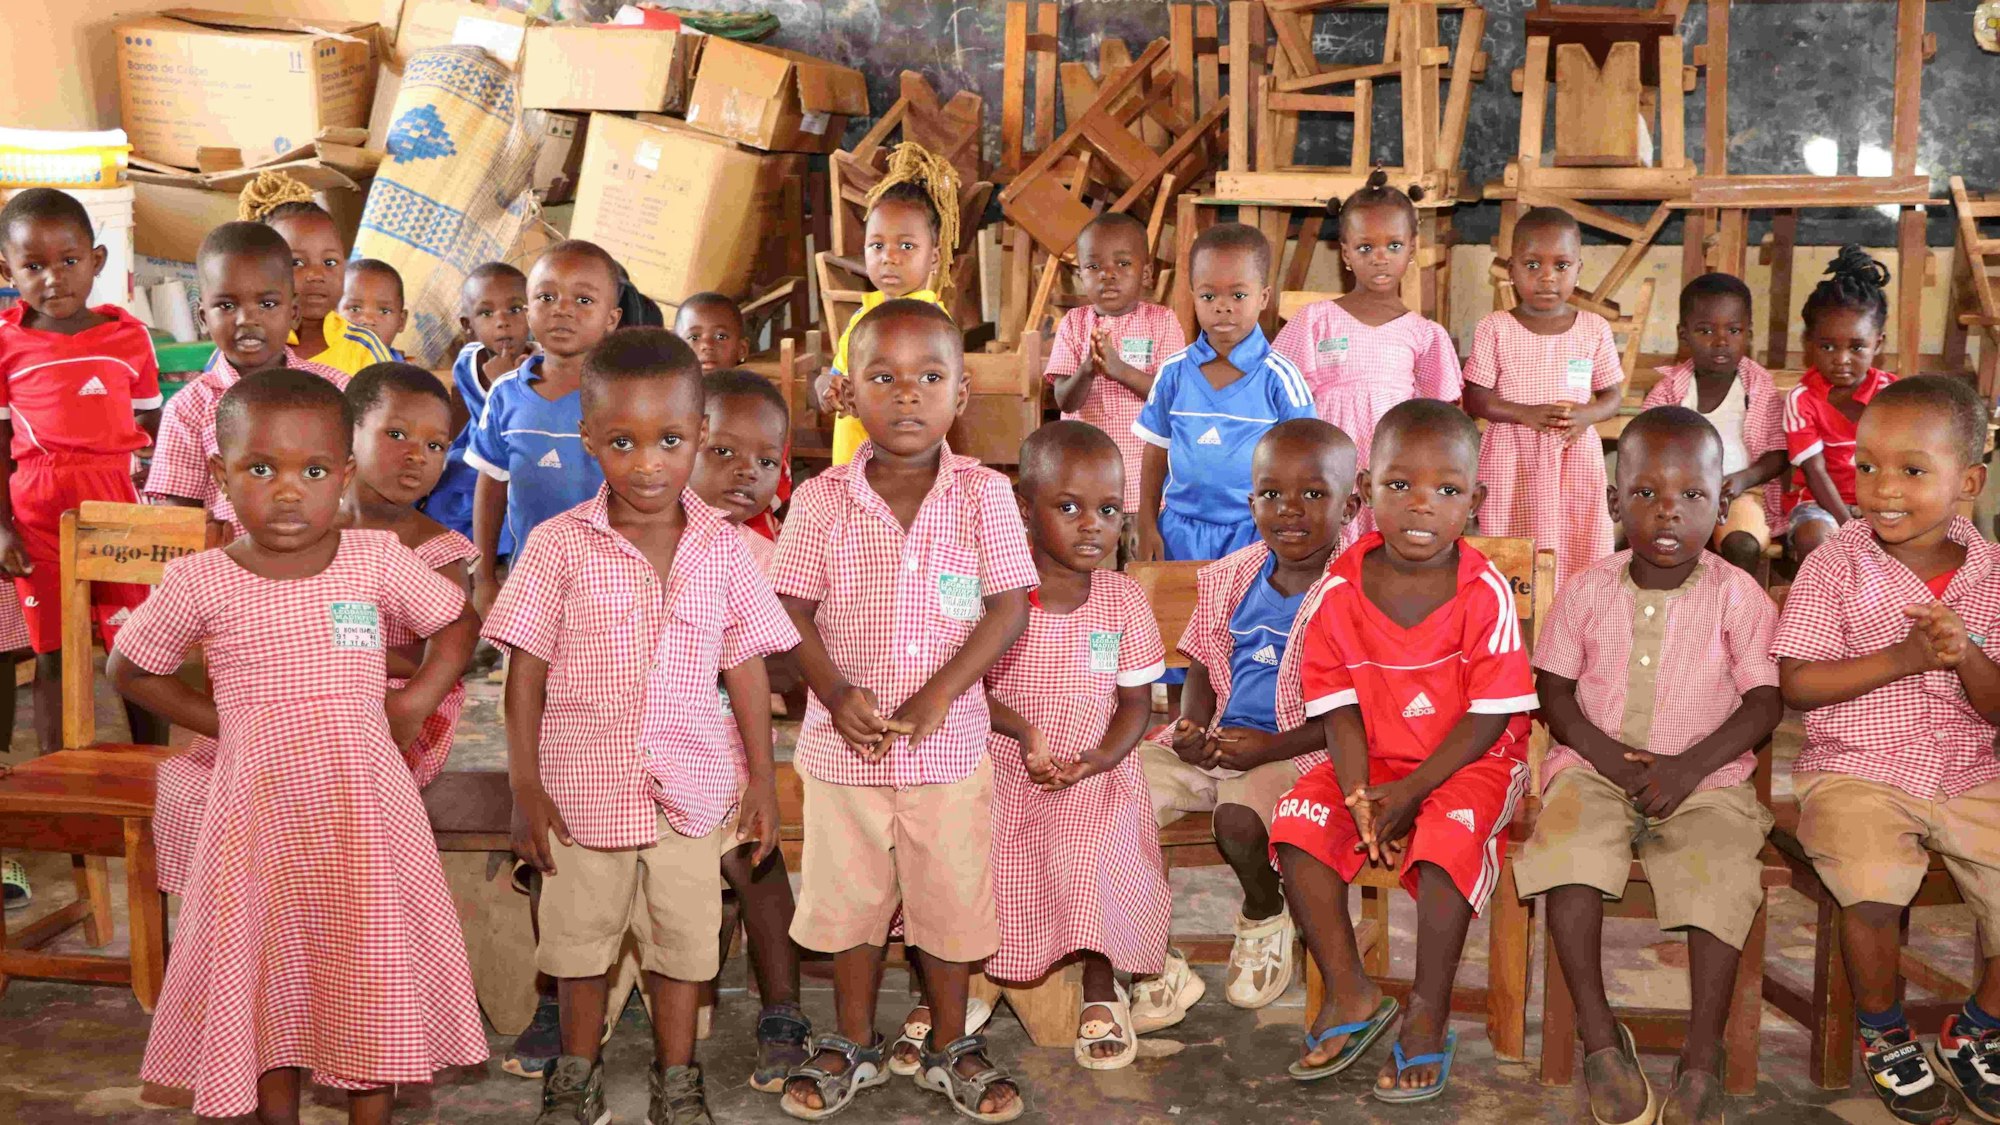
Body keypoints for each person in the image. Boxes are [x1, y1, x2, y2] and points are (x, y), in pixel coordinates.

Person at [107, 369, 485, 1123]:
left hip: (363, 813)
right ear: (218, 475)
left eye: (313, 471)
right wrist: (234, 721)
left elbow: (457, 623)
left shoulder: (373, 562)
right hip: (257, 817)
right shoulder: (200, 580)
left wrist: (412, 701)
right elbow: (130, 667)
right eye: (260, 469)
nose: (288, 491)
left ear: (343, 474)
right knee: (265, 968)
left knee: (365, 960)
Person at [487, 329, 800, 1125]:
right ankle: (577, 1074)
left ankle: (677, 1077)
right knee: (580, 949)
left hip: (690, 794)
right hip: (582, 794)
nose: (649, 463)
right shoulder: (559, 547)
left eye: (670, 440)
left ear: (699, 438)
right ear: (589, 439)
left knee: (684, 947)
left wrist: (761, 780)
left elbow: (747, 666)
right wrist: (525, 785)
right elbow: (525, 673)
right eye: (622, 442)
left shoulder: (723, 551)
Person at [772, 299, 1033, 1122]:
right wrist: (835, 690)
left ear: (961, 396)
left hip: (950, 749)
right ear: (847, 394)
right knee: (850, 900)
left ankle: (949, 1041)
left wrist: (938, 695)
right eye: (883, 377)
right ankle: (853, 1039)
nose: (908, 395)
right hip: (843, 750)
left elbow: (1007, 610)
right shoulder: (821, 500)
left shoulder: (986, 495)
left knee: (950, 902)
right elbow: (790, 609)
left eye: (930, 378)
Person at [1516, 406, 1783, 1125]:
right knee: (1568, 857)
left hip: (1706, 779)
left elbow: (1764, 704)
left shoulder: (1739, 596)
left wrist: (1688, 767)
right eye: (1645, 493)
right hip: (1594, 768)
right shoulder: (1587, 589)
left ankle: (1702, 1055)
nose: (1669, 513)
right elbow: (1555, 691)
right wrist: (1606, 756)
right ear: (1613, 501)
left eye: (1692, 496)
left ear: (1722, 504)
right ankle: (1600, 1037)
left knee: (1720, 873)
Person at [1270, 399, 1535, 1103]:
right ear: (1364, 491)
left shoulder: (1484, 592)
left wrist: (1412, 792)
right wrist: (1361, 801)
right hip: (1375, 761)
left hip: (1470, 762)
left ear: (1474, 501)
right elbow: (1339, 713)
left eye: (1447, 490)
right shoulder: (1335, 593)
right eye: (1399, 486)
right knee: (1297, 821)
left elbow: (1489, 718)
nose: (1422, 506)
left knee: (1447, 840)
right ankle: (1352, 990)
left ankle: (1427, 1010)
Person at [151, 362, 477, 900]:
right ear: (347, 441)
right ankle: (238, 914)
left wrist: (335, 658)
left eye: (436, 445)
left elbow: (433, 652)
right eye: (395, 435)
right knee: (195, 783)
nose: (416, 455)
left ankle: (328, 915)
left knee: (312, 783)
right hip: (282, 705)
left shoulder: (431, 550)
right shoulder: (284, 530)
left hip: (397, 712)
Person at [1774, 376, 2000, 1125]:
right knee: (1869, 884)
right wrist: (1904, 657)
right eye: (1867, 466)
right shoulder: (1834, 563)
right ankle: (1885, 1031)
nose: (1882, 489)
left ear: (1968, 480)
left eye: (1911, 470)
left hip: (1969, 767)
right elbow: (1798, 684)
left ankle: (1975, 1031)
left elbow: (1995, 703)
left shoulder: (1994, 575)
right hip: (1856, 768)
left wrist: (1963, 652)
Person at [1137, 419, 1359, 1020]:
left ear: (1352, 502)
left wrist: (1267, 749)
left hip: (1299, 752)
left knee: (1237, 821)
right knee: (1117, 795)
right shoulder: (1232, 577)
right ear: (1251, 500)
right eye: (1271, 493)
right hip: (1223, 743)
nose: (1290, 510)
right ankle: (1147, 954)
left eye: (1314, 494)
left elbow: (1357, 714)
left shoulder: (1360, 589)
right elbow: (1205, 663)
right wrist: (1190, 729)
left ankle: (1264, 911)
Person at [985, 421, 1170, 1070]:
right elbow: (968, 692)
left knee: (1091, 841)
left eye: (1109, 509)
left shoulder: (1121, 600)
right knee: (969, 836)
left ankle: (1100, 984)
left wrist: (1097, 759)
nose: (1093, 524)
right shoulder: (999, 598)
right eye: (1068, 507)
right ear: (1022, 506)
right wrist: (1026, 735)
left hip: (1096, 767)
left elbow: (1135, 705)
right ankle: (965, 977)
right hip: (1004, 759)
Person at [0, 188, 166, 753]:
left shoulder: (128, 337)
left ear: (96, 260)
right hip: (37, 517)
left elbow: (153, 425)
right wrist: (2, 527)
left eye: (69, 261)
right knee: (54, 657)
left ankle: (154, 775)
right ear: (8, 270)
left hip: (116, 508)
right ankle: (59, 787)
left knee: (139, 651)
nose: (54, 279)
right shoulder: (5, 344)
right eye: (34, 266)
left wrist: (159, 511)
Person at [685, 365, 813, 1091]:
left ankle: (782, 1009)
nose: (746, 472)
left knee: (755, 861)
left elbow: (793, 671)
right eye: (724, 452)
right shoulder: (639, 542)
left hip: (732, 754)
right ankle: (558, 1004)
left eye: (765, 461)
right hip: (638, 755)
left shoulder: (770, 558)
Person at [1272, 171, 1461, 545]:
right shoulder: (1314, 321)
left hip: (1393, 472)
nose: (1380, 258)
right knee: (1324, 555)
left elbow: (1441, 419)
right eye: (1365, 247)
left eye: (1393, 246)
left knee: (1385, 558)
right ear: (1345, 253)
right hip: (1324, 469)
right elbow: (1277, 397)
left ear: (1412, 249)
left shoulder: (1424, 334)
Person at [144, 221, 349, 539]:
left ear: (293, 312)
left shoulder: (337, 391)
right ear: (203, 318)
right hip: (231, 575)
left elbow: (360, 494)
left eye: (267, 304)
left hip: (327, 572)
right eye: (226, 305)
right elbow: (178, 524)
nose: (247, 319)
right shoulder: (188, 410)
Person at [1461, 206, 1624, 591]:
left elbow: (1613, 394)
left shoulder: (1593, 329)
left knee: (1576, 546)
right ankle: (1511, 624)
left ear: (1579, 269)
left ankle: (1573, 621)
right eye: (1532, 265)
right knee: (1511, 553)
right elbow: (1475, 398)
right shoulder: (1495, 327)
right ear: (1511, 269)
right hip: (1512, 458)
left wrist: (1587, 415)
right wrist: (1524, 414)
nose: (1547, 277)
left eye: (1561, 265)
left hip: (1573, 455)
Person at [1133, 222, 1316, 565]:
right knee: (1177, 615)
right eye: (1208, 295)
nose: (1223, 306)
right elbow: (1155, 452)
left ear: (1263, 297)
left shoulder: (1280, 378)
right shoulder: (1174, 372)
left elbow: (1307, 462)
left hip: (1255, 535)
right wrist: (1147, 523)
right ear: (1192, 297)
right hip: (1179, 533)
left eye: (1238, 295)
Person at [466, 240, 624, 618]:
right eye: (546, 297)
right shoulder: (505, 394)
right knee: (524, 678)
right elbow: (491, 485)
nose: (562, 311)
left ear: (612, 319)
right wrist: (484, 578)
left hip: (616, 587)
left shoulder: (625, 396)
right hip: (530, 588)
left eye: (583, 300)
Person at [1043, 213, 1186, 560]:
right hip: (1086, 483)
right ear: (1080, 277)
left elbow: (1171, 395)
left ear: (1146, 274)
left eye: (1123, 263)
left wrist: (1119, 369)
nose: (1108, 274)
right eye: (1094, 267)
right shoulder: (1075, 325)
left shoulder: (1162, 322)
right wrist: (1088, 370)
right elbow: (1062, 397)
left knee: (1143, 572)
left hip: (1145, 483)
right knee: (1091, 567)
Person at [818, 143, 962, 466]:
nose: (889, 257)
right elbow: (838, 372)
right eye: (877, 245)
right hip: (851, 470)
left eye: (906, 245)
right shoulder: (863, 314)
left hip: (896, 476)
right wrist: (826, 385)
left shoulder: (930, 323)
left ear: (935, 256)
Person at [1641, 273, 1788, 573]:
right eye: (1705, 331)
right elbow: (1644, 444)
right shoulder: (1670, 389)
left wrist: (1744, 479)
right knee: (1646, 540)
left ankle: (1738, 614)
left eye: (1733, 330)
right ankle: (1666, 612)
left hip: (1741, 494)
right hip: (1676, 495)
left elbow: (1779, 453)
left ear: (1748, 333)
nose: (1721, 341)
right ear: (1684, 335)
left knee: (1741, 545)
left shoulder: (1758, 387)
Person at [1782, 246, 1899, 562]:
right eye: (1828, 346)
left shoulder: (1895, 395)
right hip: (1821, 505)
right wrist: (1850, 527)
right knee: (1818, 539)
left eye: (1857, 347)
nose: (1841, 360)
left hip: (1884, 501)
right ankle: (1823, 607)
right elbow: (1816, 473)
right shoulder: (1802, 399)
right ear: (1809, 343)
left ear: (1879, 343)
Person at [424, 262, 531, 554]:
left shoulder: (541, 357)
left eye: (515, 308)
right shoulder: (474, 361)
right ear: (468, 326)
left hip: (526, 469)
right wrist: (504, 381)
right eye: (486, 313)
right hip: (480, 466)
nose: (502, 321)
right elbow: (504, 417)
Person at [238, 174, 394, 374]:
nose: (317, 274)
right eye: (297, 262)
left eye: (330, 262)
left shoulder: (364, 348)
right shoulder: (246, 345)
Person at [340, 258, 410, 361]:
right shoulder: (315, 360)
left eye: (384, 311)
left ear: (401, 321)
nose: (368, 320)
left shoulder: (401, 371)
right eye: (354, 309)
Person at [677, 292, 752, 373]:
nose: (707, 345)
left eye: (721, 337)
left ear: (742, 349)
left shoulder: (756, 384)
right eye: (693, 337)